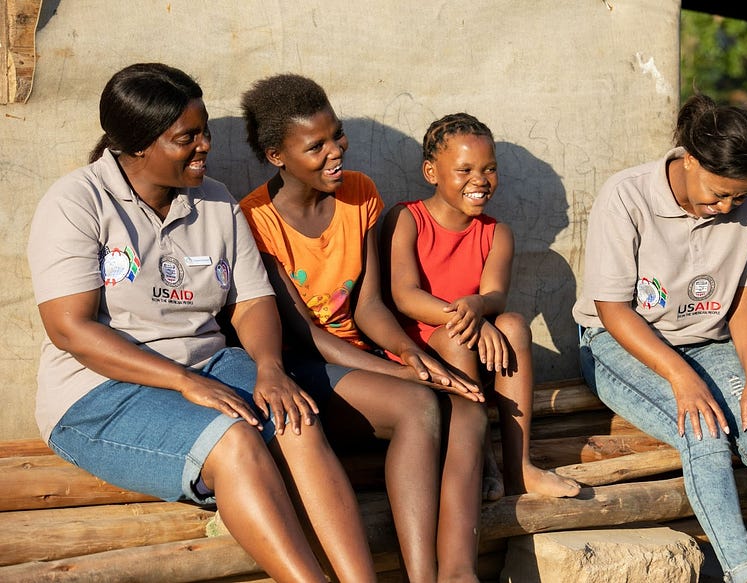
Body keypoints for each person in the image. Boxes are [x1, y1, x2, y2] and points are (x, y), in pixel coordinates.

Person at [27, 63, 377, 583]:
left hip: (209, 363)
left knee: (294, 416)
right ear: (138, 146)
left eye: (205, 130)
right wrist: (185, 383)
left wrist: (270, 367)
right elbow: (71, 330)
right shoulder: (77, 201)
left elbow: (252, 301)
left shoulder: (214, 199)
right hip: (99, 391)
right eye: (186, 137)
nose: (205, 146)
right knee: (233, 440)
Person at [572, 93, 747, 583]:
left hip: (708, 342)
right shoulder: (627, 195)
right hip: (619, 342)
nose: (726, 206)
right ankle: (746, 574)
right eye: (719, 193)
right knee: (703, 431)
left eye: (738, 198)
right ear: (690, 159)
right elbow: (613, 311)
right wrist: (681, 377)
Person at [238, 73, 485, 583]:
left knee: (437, 388)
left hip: (356, 360)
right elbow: (304, 332)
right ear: (276, 155)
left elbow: (369, 305)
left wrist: (409, 355)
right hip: (303, 368)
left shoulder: (359, 193)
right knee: (419, 401)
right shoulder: (255, 218)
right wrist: (400, 375)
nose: (336, 152)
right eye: (316, 146)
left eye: (338, 135)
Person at [380, 112, 581, 501]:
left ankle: (519, 467)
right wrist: (471, 318)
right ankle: (482, 461)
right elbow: (404, 296)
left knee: (516, 324)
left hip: (474, 346)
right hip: (420, 355)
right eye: (465, 169)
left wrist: (478, 305)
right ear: (431, 171)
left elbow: (495, 297)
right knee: (459, 338)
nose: (480, 180)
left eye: (490, 169)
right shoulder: (407, 218)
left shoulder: (496, 232)